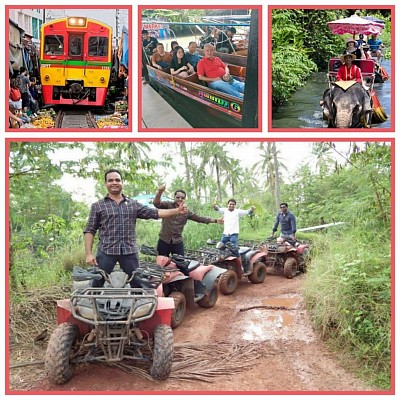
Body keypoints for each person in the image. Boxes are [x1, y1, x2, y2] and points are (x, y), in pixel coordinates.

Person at [84, 169, 188, 287]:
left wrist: (177, 211)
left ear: (122, 183)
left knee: (137, 283)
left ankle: (142, 304)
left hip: (129, 252)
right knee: (97, 282)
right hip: (106, 251)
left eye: (117, 180)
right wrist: (89, 254)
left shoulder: (133, 204)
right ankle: (92, 304)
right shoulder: (98, 206)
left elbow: (155, 213)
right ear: (105, 183)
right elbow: (89, 230)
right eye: (110, 180)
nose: (114, 183)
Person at [153, 184, 223, 257]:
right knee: (162, 263)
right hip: (164, 240)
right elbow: (156, 204)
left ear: (185, 199)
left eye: (182, 198)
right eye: (178, 197)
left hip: (177, 241)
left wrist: (216, 220)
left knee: (181, 263)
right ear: (174, 197)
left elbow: (200, 218)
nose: (180, 199)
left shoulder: (186, 212)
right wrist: (160, 192)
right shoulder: (167, 205)